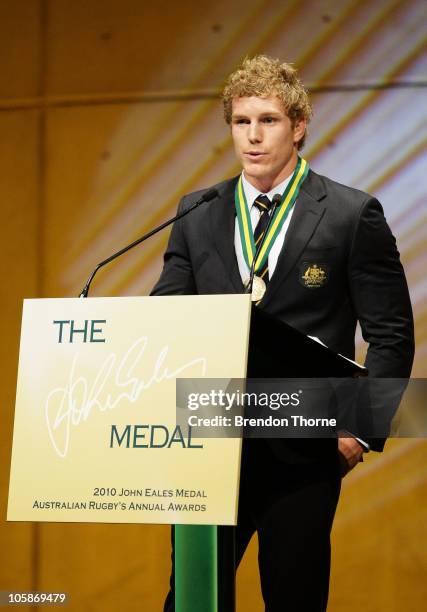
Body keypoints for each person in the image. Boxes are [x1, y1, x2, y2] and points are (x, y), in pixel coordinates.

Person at [151, 55, 414, 611]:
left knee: (292, 598)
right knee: (191, 600)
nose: (252, 136)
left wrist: (360, 432)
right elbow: (165, 317)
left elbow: (390, 333)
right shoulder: (197, 211)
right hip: (209, 439)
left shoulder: (350, 214)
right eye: (241, 121)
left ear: (298, 126)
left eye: (267, 120)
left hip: (305, 443)